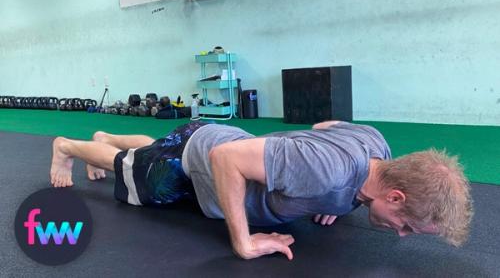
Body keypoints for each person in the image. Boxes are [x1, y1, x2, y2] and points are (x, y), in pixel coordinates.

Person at [50, 121, 473, 260]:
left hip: (213, 136)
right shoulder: (327, 172)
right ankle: (68, 147)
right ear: (394, 196)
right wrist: (244, 241)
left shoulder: (376, 147)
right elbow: (227, 161)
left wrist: (342, 202)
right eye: (407, 226)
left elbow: (325, 129)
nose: (401, 234)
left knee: (155, 147)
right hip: (202, 160)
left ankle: (105, 135)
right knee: (134, 171)